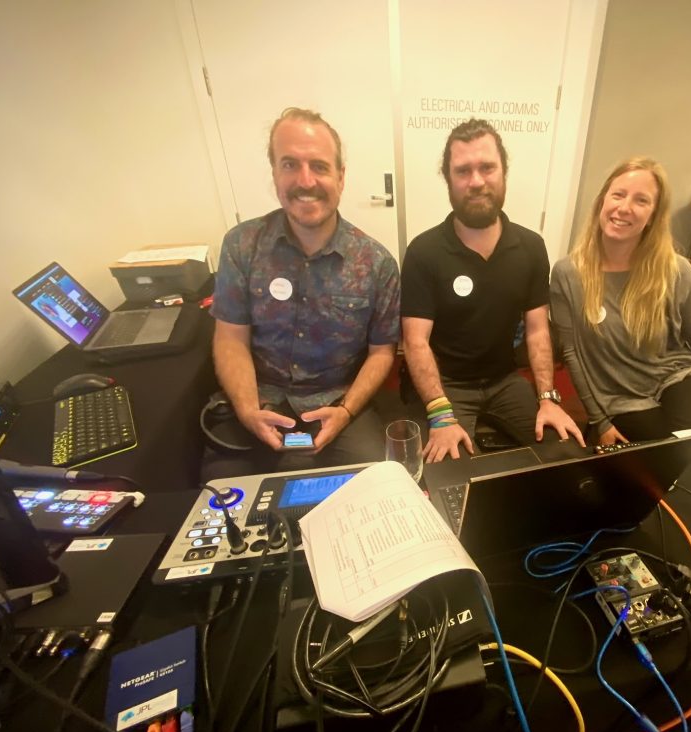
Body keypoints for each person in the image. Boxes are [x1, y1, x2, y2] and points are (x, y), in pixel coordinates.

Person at [206, 107, 400, 477]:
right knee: (221, 496)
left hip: (338, 402)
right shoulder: (241, 246)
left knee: (379, 483)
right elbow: (230, 338)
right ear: (275, 173)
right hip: (257, 397)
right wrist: (247, 409)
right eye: (290, 164)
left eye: (320, 166)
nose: (306, 181)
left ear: (341, 177)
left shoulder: (377, 263)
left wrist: (345, 411)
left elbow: (381, 353)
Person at [401, 118, 584, 463]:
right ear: (448, 179)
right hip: (447, 384)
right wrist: (441, 416)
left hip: (504, 382)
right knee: (447, 476)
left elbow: (537, 330)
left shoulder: (531, 247)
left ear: (503, 172)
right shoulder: (424, 252)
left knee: (568, 454)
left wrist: (548, 398)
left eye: (487, 167)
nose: (476, 181)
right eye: (463, 171)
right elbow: (415, 342)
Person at [550, 156, 691, 444]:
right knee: (663, 460)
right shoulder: (568, 273)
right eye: (618, 195)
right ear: (603, 200)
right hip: (619, 397)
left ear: (654, 214)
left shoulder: (676, 270)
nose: (625, 208)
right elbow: (572, 355)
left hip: (680, 375)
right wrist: (600, 421)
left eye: (641, 200)